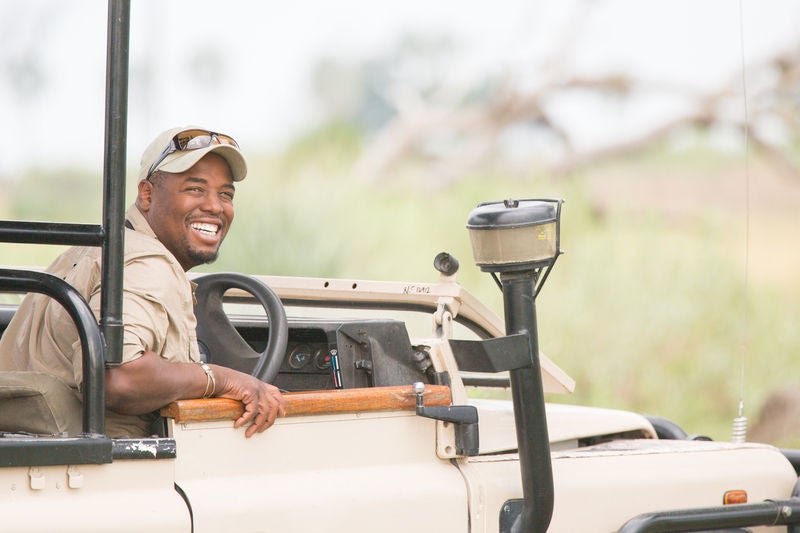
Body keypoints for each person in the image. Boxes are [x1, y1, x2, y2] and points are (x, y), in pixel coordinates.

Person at [0, 126, 285, 438]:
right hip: (112, 468)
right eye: (195, 189)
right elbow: (119, 378)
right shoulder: (148, 263)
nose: (215, 206)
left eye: (225, 194)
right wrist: (223, 378)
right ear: (147, 194)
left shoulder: (94, 248)